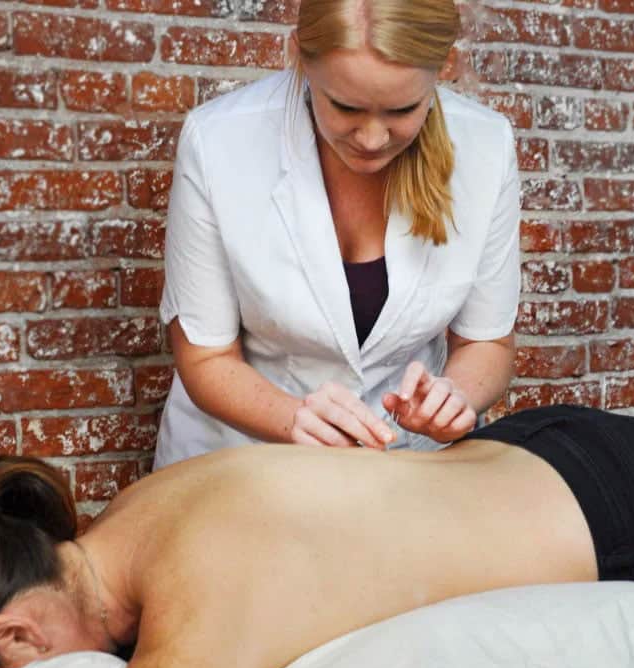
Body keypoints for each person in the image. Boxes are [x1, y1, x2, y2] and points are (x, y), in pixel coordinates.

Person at [0, 404, 634, 668]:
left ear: (19, 638)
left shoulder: (193, 606)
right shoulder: (134, 511)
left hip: (630, 512)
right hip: (541, 454)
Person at [154, 0, 520, 467]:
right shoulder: (216, 141)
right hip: (243, 462)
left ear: (444, 66)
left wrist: (456, 397)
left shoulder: (487, 146)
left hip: (406, 467)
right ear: (301, 60)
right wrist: (292, 419)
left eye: (402, 110)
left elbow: (486, 341)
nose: (371, 139)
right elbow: (205, 359)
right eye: (344, 106)